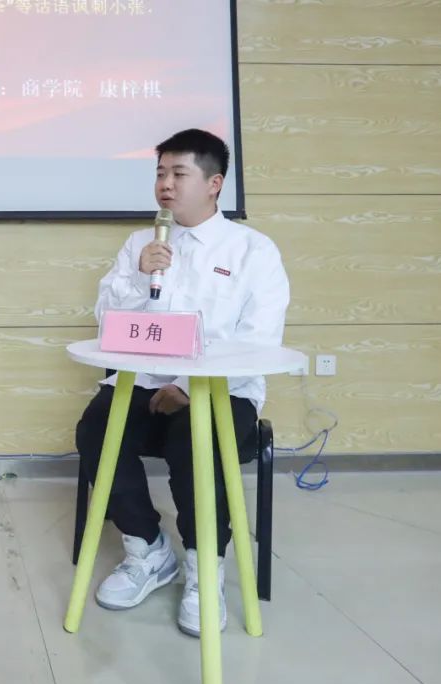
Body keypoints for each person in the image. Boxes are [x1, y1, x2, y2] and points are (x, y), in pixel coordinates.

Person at [76, 129, 289, 636]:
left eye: (178, 173)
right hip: (144, 380)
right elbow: (108, 323)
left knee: (195, 443)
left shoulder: (253, 251)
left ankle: (204, 567)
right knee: (96, 428)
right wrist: (137, 277)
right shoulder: (140, 244)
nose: (165, 184)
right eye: (160, 173)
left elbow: (259, 341)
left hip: (222, 390)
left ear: (214, 183)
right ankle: (148, 550)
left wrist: (190, 389)